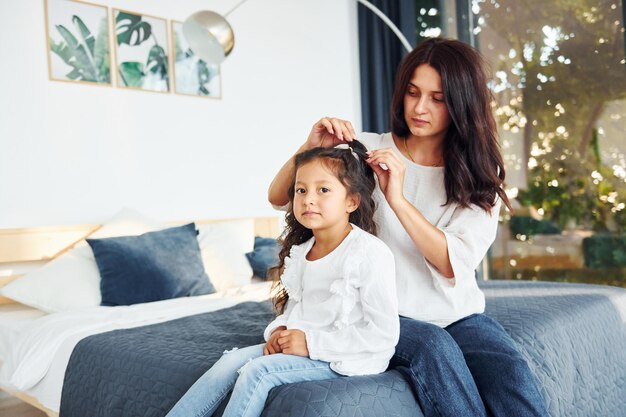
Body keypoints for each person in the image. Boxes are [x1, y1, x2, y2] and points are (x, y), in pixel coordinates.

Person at [268, 38, 549, 417]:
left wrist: (397, 198)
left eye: (437, 98)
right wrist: (309, 146)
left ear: (461, 104)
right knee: (434, 348)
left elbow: (453, 263)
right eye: (413, 93)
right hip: (383, 312)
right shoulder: (364, 150)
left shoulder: (479, 174)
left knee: (510, 373)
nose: (420, 108)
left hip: (458, 314)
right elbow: (278, 196)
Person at [166, 140, 399, 417]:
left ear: (352, 200)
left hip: (348, 357)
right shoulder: (302, 253)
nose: (309, 198)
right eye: (301, 190)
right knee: (229, 363)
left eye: (323, 190)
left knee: (258, 371)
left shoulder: (369, 253)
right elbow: (296, 311)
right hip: (304, 348)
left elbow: (384, 335)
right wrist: (279, 331)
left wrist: (310, 343)